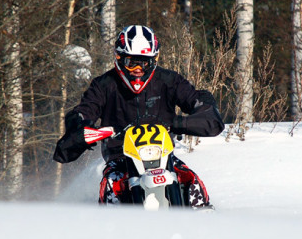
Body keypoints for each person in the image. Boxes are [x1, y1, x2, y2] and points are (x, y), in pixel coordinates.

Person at [53, 24, 224, 208]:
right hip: (120, 159)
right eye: (131, 61)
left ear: (154, 60)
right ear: (119, 58)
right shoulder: (103, 85)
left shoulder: (169, 81)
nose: (138, 68)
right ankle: (108, 229)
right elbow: (84, 110)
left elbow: (204, 109)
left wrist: (179, 122)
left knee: (193, 183)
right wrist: (81, 125)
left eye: (144, 62)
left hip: (164, 157)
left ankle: (203, 222)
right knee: (111, 188)